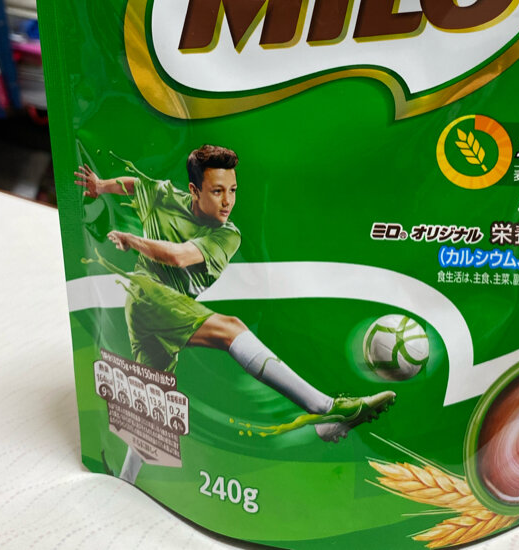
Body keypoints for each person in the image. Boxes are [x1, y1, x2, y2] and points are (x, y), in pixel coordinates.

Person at [75, 145, 395, 483]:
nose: (228, 201)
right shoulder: (165, 196)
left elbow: (180, 256)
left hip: (158, 311)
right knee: (231, 328)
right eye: (217, 191)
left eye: (233, 190)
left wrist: (132, 238)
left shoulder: (227, 235)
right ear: (194, 191)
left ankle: (122, 481)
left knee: (153, 406)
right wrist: (101, 186)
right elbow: (136, 185)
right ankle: (325, 408)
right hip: (147, 295)